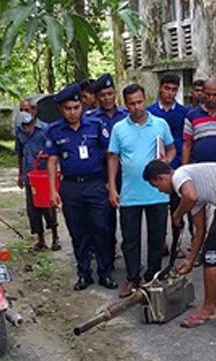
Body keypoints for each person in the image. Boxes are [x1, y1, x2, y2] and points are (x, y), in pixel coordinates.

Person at [144, 160, 216, 328]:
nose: (160, 191)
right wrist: (190, 260)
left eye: (157, 186)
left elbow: (191, 196)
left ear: (161, 178)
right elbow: (200, 231)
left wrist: (177, 215)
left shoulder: (180, 176)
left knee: (211, 255)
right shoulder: (192, 187)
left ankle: (208, 309)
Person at [45, 83, 118, 292]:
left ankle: (105, 272)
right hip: (71, 187)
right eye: (68, 108)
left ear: (81, 106)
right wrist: (53, 190)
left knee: (101, 229)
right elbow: (52, 161)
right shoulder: (55, 130)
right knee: (78, 232)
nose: (72, 112)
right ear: (61, 109)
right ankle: (84, 273)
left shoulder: (95, 125)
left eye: (76, 107)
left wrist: (110, 183)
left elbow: (109, 154)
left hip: (95, 185)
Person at [109, 84, 176, 298]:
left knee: (157, 237)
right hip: (130, 194)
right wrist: (112, 186)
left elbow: (172, 147)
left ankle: (153, 276)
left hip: (157, 193)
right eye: (131, 103)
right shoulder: (119, 128)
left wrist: (167, 161)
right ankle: (132, 278)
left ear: (145, 99)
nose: (136, 107)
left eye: (139, 102)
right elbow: (112, 158)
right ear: (125, 104)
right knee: (130, 239)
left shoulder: (160, 124)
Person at [147, 73, 191, 253]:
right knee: (158, 209)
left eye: (174, 89)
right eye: (167, 88)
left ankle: (176, 244)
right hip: (156, 169)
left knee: (177, 207)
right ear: (160, 88)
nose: (170, 93)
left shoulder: (184, 112)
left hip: (178, 166)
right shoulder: (150, 113)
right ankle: (161, 242)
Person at [88, 73, 128, 265]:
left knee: (129, 218)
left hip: (127, 175)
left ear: (115, 94)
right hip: (103, 175)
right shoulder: (90, 120)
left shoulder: (126, 115)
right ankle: (108, 258)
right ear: (96, 98)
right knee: (105, 221)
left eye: (110, 93)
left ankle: (130, 257)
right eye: (102, 95)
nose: (107, 98)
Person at [15, 98, 60, 251]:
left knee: (48, 206)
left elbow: (53, 151)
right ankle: (41, 240)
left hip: (44, 175)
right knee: (32, 209)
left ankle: (55, 237)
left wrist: (46, 155)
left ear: (34, 111)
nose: (24, 113)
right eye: (21, 110)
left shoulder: (45, 129)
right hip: (29, 175)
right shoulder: (19, 130)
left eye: (27, 110)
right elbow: (19, 154)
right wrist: (20, 175)